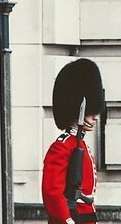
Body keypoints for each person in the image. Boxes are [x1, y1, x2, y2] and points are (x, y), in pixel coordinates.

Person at [42, 59, 105, 224]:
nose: (95, 117)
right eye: (90, 111)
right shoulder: (62, 147)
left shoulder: (80, 145)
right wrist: (67, 220)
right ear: (77, 108)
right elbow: (52, 192)